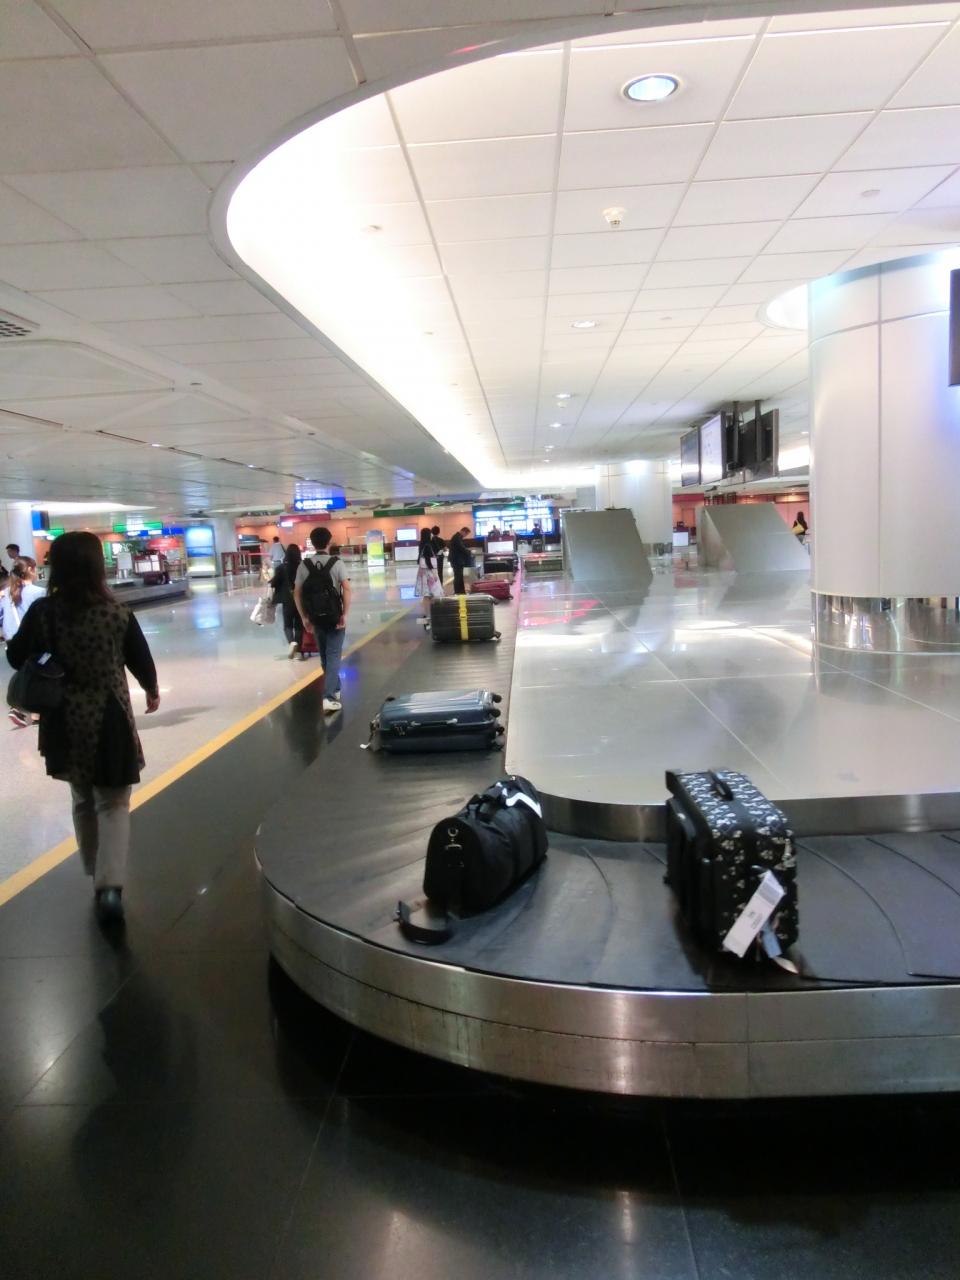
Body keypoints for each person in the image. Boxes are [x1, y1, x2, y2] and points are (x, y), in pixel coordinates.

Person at [6, 532, 159, 925]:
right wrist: (151, 689)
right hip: (109, 718)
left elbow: (15, 655)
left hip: (63, 718)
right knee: (114, 801)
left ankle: (94, 872)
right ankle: (110, 884)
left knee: (81, 797)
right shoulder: (116, 613)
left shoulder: (44, 612)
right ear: (96, 566)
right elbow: (140, 658)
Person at [294, 526, 351, 714]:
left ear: (312, 542)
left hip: (315, 617)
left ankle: (335, 688)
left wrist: (304, 617)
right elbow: (347, 589)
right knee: (333, 655)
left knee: (326, 656)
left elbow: (297, 593)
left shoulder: (304, 566)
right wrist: (345, 614)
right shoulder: (337, 563)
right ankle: (328, 697)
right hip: (334, 617)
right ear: (329, 541)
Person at [271, 543, 304, 659]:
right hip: (301, 600)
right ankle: (298, 652)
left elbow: (274, 583)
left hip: (287, 600)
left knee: (288, 624)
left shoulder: (281, 568)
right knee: (299, 625)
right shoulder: (303, 567)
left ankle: (292, 643)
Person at [415, 527, 442, 625]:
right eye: (430, 533)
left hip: (422, 573)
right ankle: (431, 615)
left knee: (427, 595)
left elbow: (420, 559)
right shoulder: (428, 545)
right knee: (433, 594)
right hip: (429, 573)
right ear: (428, 535)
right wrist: (434, 573)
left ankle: (428, 614)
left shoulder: (421, 544)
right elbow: (428, 561)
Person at [448, 527, 474, 595]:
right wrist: (469, 552)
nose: (465, 536)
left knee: (459, 576)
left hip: (457, 560)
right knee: (458, 576)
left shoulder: (458, 537)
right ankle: (457, 591)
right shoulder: (457, 537)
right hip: (456, 560)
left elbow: (461, 547)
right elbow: (461, 547)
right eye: (466, 534)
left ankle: (461, 591)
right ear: (463, 531)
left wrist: (468, 551)